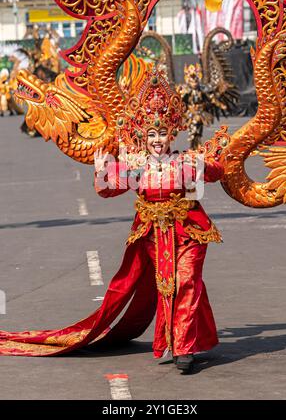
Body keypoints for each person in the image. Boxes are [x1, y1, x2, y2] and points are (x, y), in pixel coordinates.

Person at [0, 71, 224, 374]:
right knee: (169, 286)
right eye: (152, 136)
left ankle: (183, 348)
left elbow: (215, 171)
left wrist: (208, 161)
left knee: (186, 281)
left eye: (163, 135)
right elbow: (108, 189)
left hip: (188, 234)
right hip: (152, 236)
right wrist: (101, 168)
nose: (158, 141)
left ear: (172, 134)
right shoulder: (136, 164)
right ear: (145, 137)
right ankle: (193, 338)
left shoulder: (184, 160)